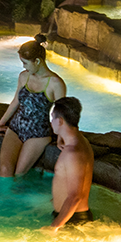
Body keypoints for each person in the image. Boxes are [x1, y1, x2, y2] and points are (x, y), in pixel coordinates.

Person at [0, 35, 66, 178]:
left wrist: (61, 136)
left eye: (25, 63)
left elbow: (61, 113)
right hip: (16, 128)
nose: (23, 67)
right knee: (5, 171)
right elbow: (15, 102)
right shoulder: (24, 76)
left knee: (19, 175)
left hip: (38, 133)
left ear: (37, 61)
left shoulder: (56, 83)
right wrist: (0, 123)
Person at [44, 96, 94, 232]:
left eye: (52, 118)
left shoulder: (73, 153)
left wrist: (54, 227)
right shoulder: (79, 141)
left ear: (59, 121)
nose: (51, 122)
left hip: (72, 221)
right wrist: (60, 136)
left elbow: (75, 196)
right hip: (68, 217)